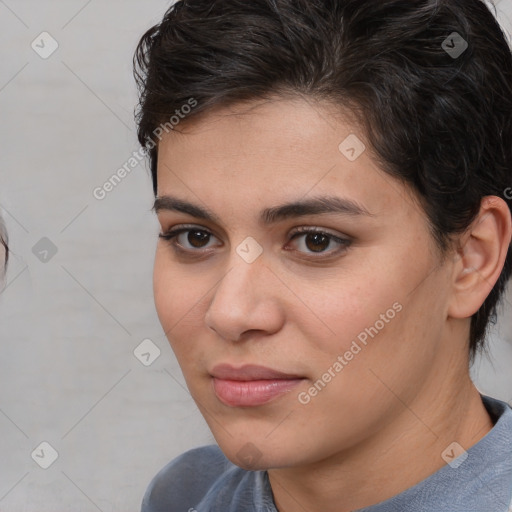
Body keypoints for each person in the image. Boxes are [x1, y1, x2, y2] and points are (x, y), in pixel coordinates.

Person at [133, 0, 512, 510]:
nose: (230, 313)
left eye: (316, 240)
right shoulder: (186, 494)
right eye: (195, 237)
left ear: (471, 258)